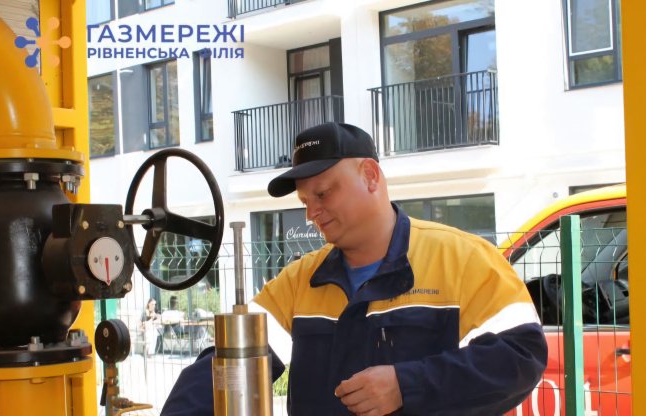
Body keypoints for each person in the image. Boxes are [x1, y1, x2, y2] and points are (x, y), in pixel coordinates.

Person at [162, 122, 547, 416]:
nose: (311, 213)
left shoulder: (463, 259)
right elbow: (229, 361)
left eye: (322, 193)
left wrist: (405, 385)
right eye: (305, 201)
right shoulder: (299, 281)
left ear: (370, 176)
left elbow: (521, 356)